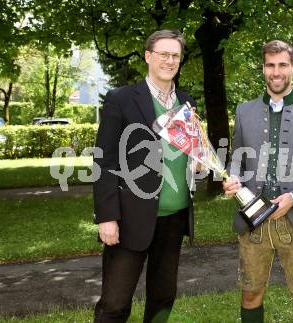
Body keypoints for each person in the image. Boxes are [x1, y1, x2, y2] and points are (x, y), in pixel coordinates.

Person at [223, 40, 293, 323]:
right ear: (263, 68)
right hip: (253, 220)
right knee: (250, 295)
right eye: (270, 65)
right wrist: (232, 177)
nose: (276, 72)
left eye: (282, 65)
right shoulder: (244, 110)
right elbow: (237, 157)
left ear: (292, 68)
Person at [93, 30, 196, 323]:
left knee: (163, 298)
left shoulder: (187, 104)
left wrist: (196, 164)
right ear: (149, 57)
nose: (170, 60)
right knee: (115, 303)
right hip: (129, 218)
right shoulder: (121, 99)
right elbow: (105, 160)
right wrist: (106, 217)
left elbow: (187, 153)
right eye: (163, 54)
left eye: (175, 55)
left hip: (174, 218)